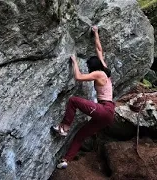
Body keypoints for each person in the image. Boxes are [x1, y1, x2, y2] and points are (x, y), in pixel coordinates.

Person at [51, 26, 115, 169]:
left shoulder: (98, 73)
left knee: (73, 101)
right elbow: (99, 50)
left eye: (88, 66)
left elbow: (79, 77)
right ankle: (66, 160)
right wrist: (96, 33)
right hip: (108, 114)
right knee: (80, 135)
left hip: (104, 109)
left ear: (92, 67)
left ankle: (64, 128)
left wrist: (74, 62)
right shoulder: (105, 70)